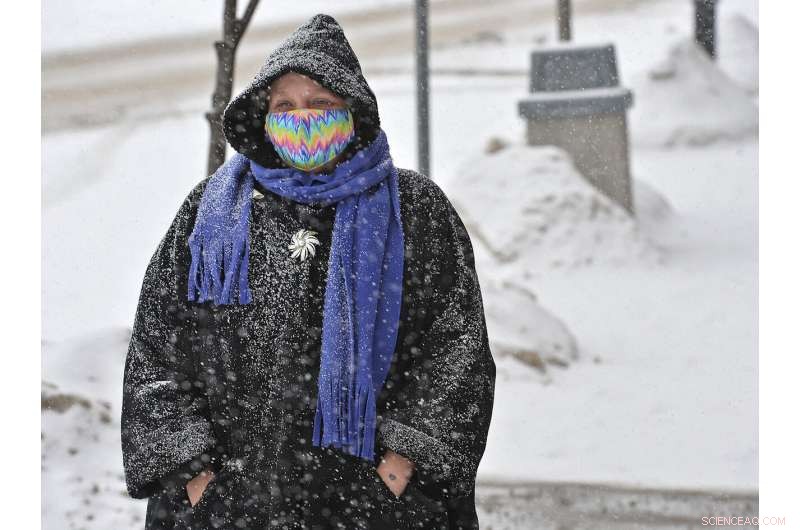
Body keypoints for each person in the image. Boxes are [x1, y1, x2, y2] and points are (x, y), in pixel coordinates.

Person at [120, 13, 496, 530]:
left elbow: (456, 351)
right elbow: (158, 348)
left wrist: (403, 465)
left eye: (321, 104)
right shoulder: (210, 214)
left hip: (376, 509)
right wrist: (194, 473)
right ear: (264, 118)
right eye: (286, 106)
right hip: (228, 508)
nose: (304, 118)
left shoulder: (415, 211)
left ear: (353, 112)